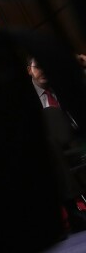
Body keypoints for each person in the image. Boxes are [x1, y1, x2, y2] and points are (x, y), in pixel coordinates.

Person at [27, 56, 86, 234]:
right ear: (29, 70)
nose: (43, 70)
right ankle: (72, 208)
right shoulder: (25, 96)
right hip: (48, 149)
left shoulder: (63, 86)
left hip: (76, 137)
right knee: (49, 141)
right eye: (38, 67)